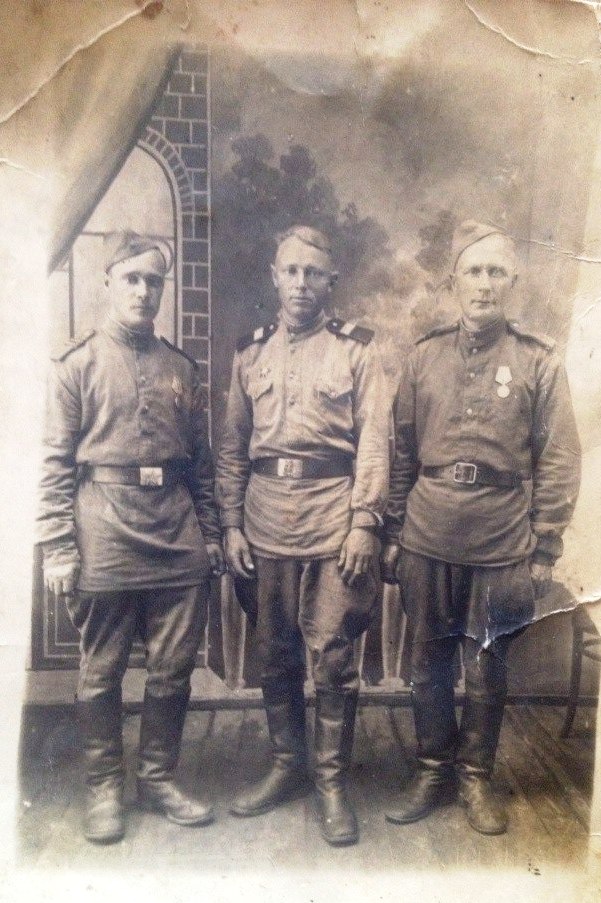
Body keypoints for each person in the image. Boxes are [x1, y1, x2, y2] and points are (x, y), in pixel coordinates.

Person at [381, 220, 581, 835]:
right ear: (454, 282)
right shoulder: (424, 356)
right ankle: (432, 769)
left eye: (496, 272)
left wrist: (545, 545)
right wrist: (393, 532)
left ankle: (475, 777)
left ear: (512, 282)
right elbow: (401, 450)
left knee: (488, 667)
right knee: (428, 662)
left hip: (502, 538)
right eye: (474, 271)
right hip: (428, 532)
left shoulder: (537, 360)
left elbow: (559, 456)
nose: (485, 284)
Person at [37, 231, 224, 844]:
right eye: (132, 279)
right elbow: (54, 463)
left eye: (153, 281)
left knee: (173, 668)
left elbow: (200, 465)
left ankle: (158, 779)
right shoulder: (76, 365)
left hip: (175, 530)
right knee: (102, 670)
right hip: (105, 529)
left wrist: (211, 537)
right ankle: (104, 788)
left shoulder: (182, 368)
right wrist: (58, 546)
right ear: (109, 283)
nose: (143, 292)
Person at [216, 225, 389, 846]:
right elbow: (232, 448)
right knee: (276, 654)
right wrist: (231, 523)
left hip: (332, 523)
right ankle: (287, 766)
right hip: (265, 524)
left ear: (330, 282)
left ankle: (331, 783)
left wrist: (365, 522)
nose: (300, 283)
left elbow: (375, 444)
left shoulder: (357, 352)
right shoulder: (250, 353)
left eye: (313, 273)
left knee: (334, 659)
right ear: (274, 276)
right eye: (290, 271)